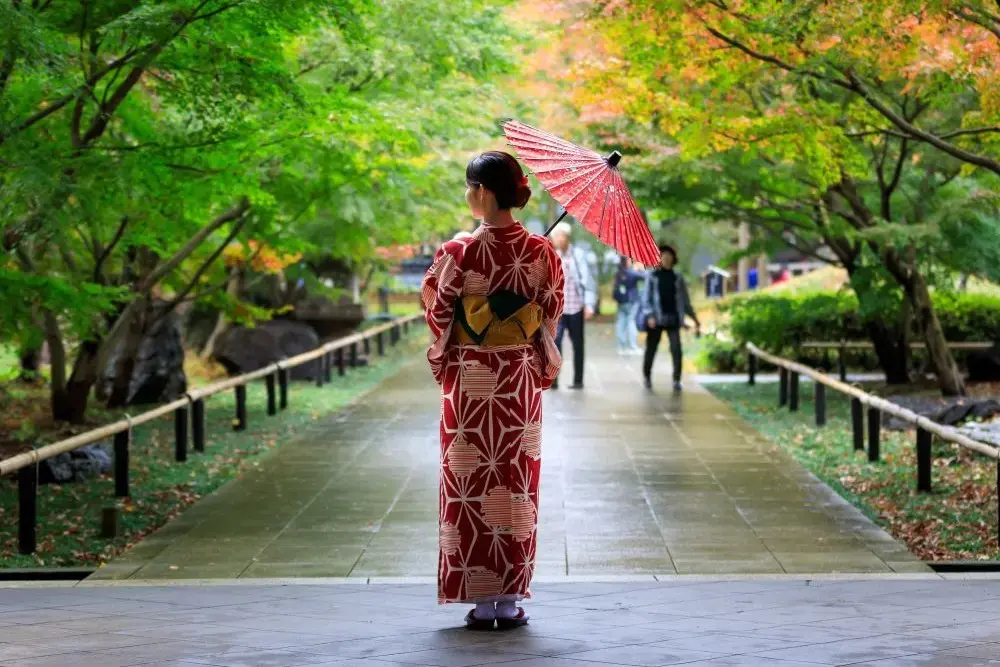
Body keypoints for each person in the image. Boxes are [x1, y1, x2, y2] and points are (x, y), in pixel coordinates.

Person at [421, 151, 565, 630]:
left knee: (470, 482)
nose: (468, 196)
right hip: (518, 381)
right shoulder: (542, 251)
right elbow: (549, 310)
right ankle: (509, 597)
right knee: (515, 481)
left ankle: (481, 600)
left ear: (482, 193)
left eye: (469, 188)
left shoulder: (457, 252)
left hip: (469, 379)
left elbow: (438, 309)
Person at [641, 244, 700, 391]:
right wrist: (650, 316)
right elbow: (646, 299)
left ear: (673, 259)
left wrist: (695, 319)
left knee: (676, 349)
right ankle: (647, 376)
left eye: (669, 256)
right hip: (656, 319)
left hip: (673, 319)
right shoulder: (652, 276)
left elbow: (685, 301)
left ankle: (676, 380)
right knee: (651, 349)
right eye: (663, 256)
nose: (666, 259)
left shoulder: (677, 278)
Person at [549, 221, 596, 389]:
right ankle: (553, 380)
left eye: (561, 236)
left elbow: (588, 283)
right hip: (558, 310)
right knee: (555, 343)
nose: (558, 239)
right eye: (555, 236)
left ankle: (578, 380)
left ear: (567, 237)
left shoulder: (578, 255)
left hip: (576, 307)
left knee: (578, 344)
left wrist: (589, 305)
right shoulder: (552, 256)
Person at [612, 257, 644, 354]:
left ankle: (621, 347)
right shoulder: (631, 273)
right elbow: (646, 277)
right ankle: (632, 347)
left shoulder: (618, 273)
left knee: (621, 323)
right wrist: (640, 269)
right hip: (631, 301)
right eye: (630, 260)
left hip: (621, 302)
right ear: (626, 262)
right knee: (631, 322)